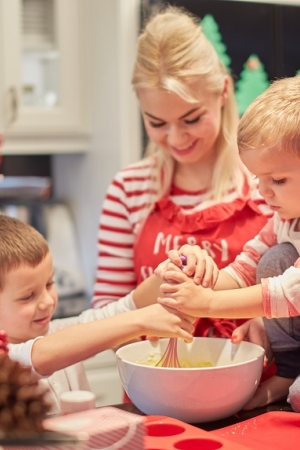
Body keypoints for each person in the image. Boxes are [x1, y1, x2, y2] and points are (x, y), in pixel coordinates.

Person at [92, 5, 271, 340]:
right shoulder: (129, 189)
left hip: (256, 385)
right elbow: (106, 316)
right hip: (153, 385)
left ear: (223, 91)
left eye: (191, 119)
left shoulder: (268, 181)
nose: (176, 139)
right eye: (157, 123)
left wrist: (272, 325)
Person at [156, 75, 300, 411]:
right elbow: (244, 269)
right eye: (258, 179)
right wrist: (197, 271)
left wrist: (205, 303)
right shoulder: (285, 218)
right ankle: (290, 373)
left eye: (277, 180)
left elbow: (290, 293)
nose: (264, 192)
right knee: (273, 259)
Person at [0, 215, 194, 414]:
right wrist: (142, 321)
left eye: (49, 284)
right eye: (28, 296)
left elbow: (128, 306)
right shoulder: (5, 359)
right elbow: (40, 356)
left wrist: (170, 272)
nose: (48, 301)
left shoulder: (57, 331)